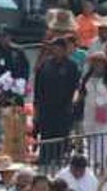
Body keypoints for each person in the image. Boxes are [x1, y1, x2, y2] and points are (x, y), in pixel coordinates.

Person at [33, 37, 81, 165]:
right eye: (54, 48)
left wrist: (73, 101)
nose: (56, 51)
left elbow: (77, 86)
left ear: (64, 50)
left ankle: (60, 158)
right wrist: (36, 107)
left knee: (62, 134)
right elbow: (38, 88)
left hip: (64, 107)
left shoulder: (72, 66)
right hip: (46, 107)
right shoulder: (45, 65)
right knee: (46, 133)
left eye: (59, 48)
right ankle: (45, 159)